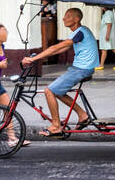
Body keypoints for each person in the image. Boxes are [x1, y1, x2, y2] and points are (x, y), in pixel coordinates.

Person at [24, 8, 100, 137]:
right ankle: (82, 114)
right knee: (57, 90)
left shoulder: (80, 32)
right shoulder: (79, 32)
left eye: (68, 16)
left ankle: (55, 126)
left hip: (81, 69)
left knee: (49, 91)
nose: (64, 18)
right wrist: (40, 56)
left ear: (76, 19)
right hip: (81, 68)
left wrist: (34, 59)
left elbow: (56, 47)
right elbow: (60, 49)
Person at [95, 7, 115, 72]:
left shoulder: (108, 13)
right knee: (105, 49)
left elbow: (109, 24)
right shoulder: (109, 13)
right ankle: (101, 65)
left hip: (108, 34)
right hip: (107, 34)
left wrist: (107, 34)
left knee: (114, 49)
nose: (101, 8)